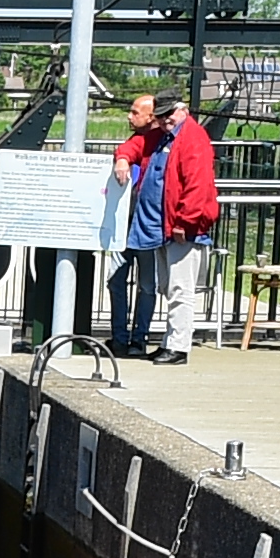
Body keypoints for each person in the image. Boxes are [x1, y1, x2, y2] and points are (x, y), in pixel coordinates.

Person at [155, 96, 223, 361]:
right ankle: (170, 340)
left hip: (185, 227)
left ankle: (179, 346)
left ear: (183, 110)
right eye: (160, 116)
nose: (164, 120)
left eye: (169, 113)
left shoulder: (192, 137)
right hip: (171, 225)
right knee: (172, 288)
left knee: (181, 289)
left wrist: (185, 221)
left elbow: (197, 184)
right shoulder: (174, 137)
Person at [107, 101, 169, 357]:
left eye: (135, 112)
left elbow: (133, 148)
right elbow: (129, 148)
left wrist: (123, 156)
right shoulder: (143, 138)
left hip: (147, 226)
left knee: (146, 285)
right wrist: (122, 158)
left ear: (151, 117)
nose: (129, 116)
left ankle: (136, 339)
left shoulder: (157, 138)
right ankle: (123, 338)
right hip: (127, 223)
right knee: (118, 281)